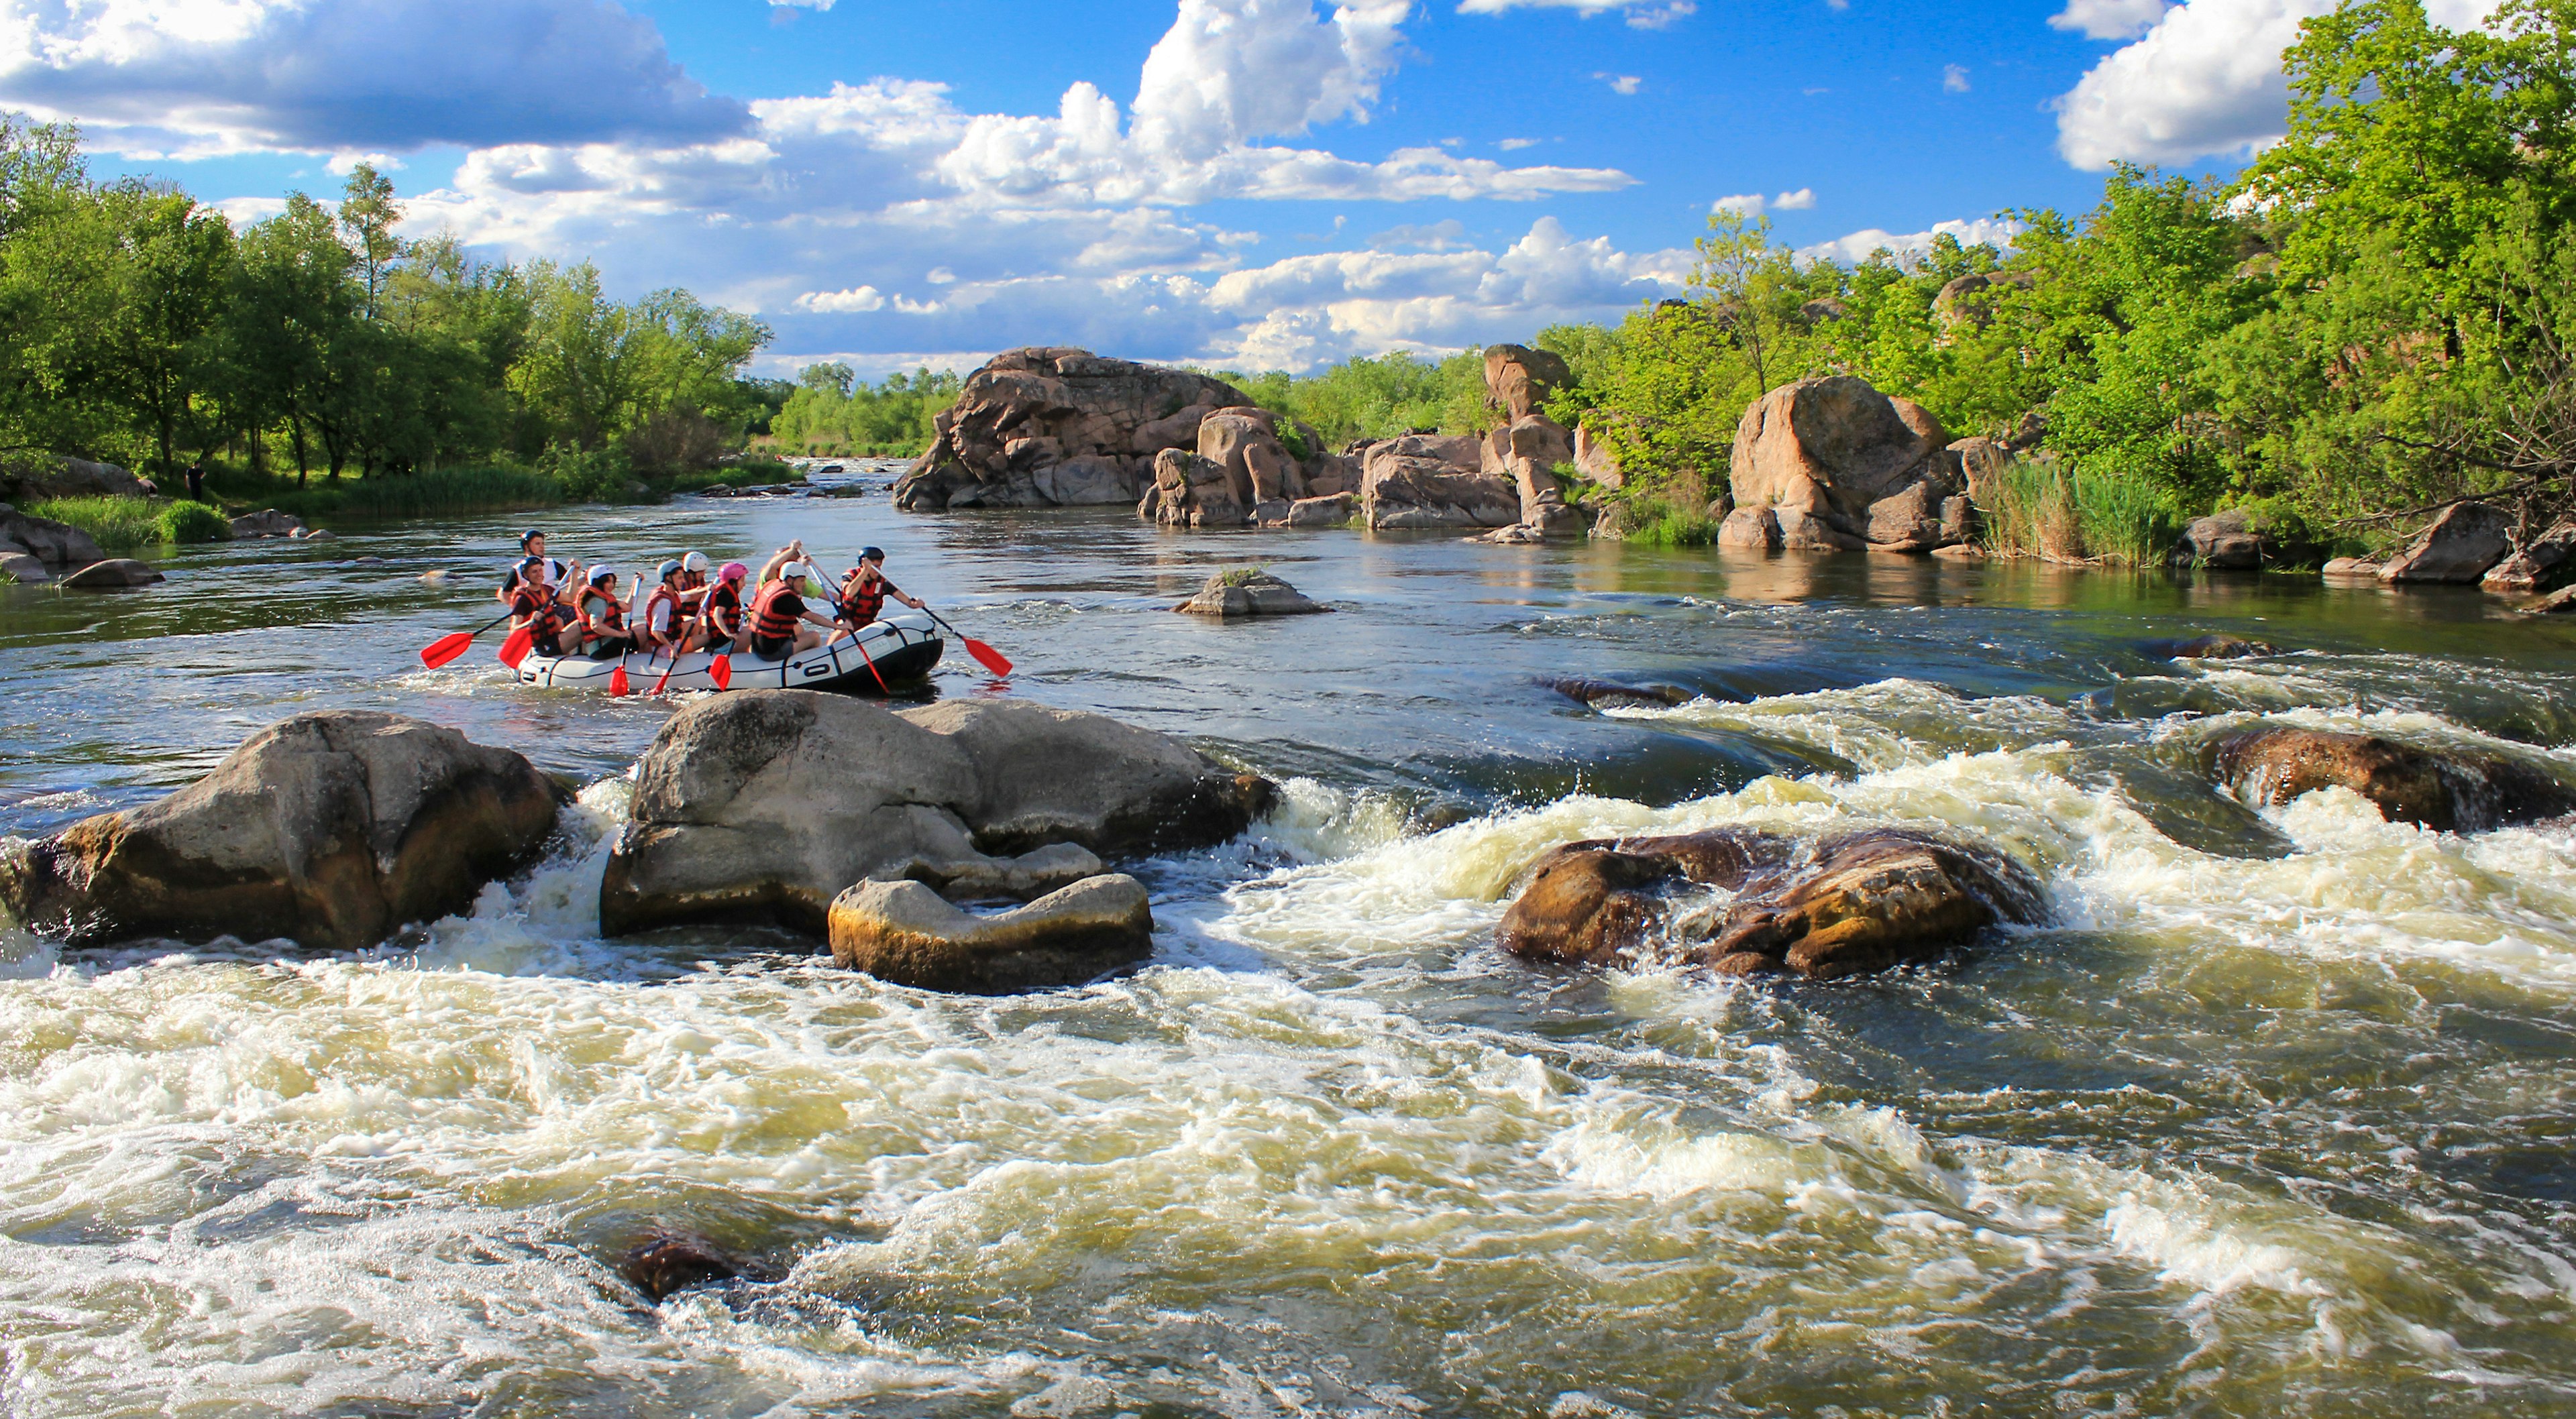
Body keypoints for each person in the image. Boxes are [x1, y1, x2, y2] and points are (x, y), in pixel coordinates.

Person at [741, 561, 838, 661]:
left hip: (757, 646)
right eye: (801, 581)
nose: (804, 585)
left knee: (798, 629)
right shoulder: (786, 598)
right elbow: (811, 617)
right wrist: (838, 626)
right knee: (814, 636)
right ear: (790, 580)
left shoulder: (772, 585)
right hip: (771, 652)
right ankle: (813, 663)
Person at [836, 547, 925, 632]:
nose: (877, 571)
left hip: (868, 623)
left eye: (879, 567)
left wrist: (915, 604)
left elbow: (908, 602)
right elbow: (849, 593)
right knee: (845, 630)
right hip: (846, 621)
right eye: (874, 567)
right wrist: (865, 571)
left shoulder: (883, 583)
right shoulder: (849, 577)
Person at [505, 555, 577, 657]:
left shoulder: (547, 590)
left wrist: (574, 572)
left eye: (540, 570)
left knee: (581, 621)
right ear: (526, 575)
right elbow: (513, 631)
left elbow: (571, 597)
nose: (539, 575)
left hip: (552, 637)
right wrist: (530, 622)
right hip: (542, 645)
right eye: (534, 572)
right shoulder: (522, 599)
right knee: (579, 626)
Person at [496, 529, 573, 605]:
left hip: (553, 605)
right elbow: (503, 593)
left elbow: (571, 581)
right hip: (533, 608)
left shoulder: (552, 564)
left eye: (543, 544)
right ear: (527, 547)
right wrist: (517, 607)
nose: (542, 547)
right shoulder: (518, 569)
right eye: (537, 544)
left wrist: (582, 576)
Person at [690, 561, 749, 652]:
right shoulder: (727, 595)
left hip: (718, 641)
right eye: (742, 581)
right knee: (755, 632)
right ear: (733, 582)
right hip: (724, 644)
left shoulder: (722, 593)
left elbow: (725, 612)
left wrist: (740, 612)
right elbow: (716, 614)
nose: (744, 584)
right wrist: (727, 633)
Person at [637, 560, 692, 657]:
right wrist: (671, 647)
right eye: (680, 578)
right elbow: (656, 631)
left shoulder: (669, 594)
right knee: (707, 638)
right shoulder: (665, 602)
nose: (683, 581)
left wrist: (708, 589)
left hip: (668, 643)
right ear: (668, 578)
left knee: (696, 622)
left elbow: (691, 597)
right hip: (664, 649)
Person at [575, 567, 633, 658]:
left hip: (605, 642)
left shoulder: (603, 598)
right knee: (643, 633)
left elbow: (628, 607)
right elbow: (596, 626)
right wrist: (621, 634)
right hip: (599, 647)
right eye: (607, 582)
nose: (612, 585)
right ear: (598, 582)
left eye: (613, 582)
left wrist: (635, 585)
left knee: (640, 628)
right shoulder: (597, 601)